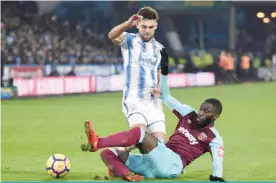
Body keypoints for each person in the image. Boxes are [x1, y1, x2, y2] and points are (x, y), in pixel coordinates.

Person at [81, 48, 226, 182]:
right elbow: (166, 96)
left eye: (206, 112)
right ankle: (127, 175)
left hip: (172, 164)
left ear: (215, 117)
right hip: (154, 163)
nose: (201, 113)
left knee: (140, 133)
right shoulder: (188, 113)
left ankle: (98, 142)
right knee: (108, 153)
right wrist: (164, 71)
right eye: (201, 109)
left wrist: (217, 177)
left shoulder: (214, 137)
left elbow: (218, 159)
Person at [108, 6, 166, 143]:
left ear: (156, 26)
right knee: (142, 138)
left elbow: (160, 73)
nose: (147, 30)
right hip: (134, 98)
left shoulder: (160, 49)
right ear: (138, 25)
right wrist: (127, 24)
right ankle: (116, 152)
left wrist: (159, 87)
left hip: (153, 103)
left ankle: (120, 151)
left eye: (151, 27)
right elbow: (112, 35)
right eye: (144, 26)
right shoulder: (129, 40)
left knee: (160, 146)